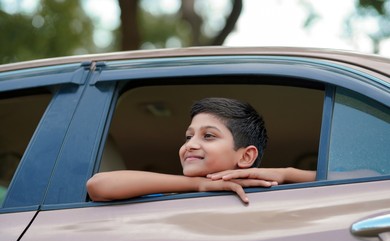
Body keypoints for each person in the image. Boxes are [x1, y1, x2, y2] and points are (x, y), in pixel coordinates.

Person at [87, 97, 315, 204]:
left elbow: (346, 184)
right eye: (188, 136)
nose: (191, 144)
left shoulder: (268, 195)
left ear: (246, 156)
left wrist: (286, 174)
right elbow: (97, 185)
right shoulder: (168, 196)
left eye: (208, 136)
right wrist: (199, 184)